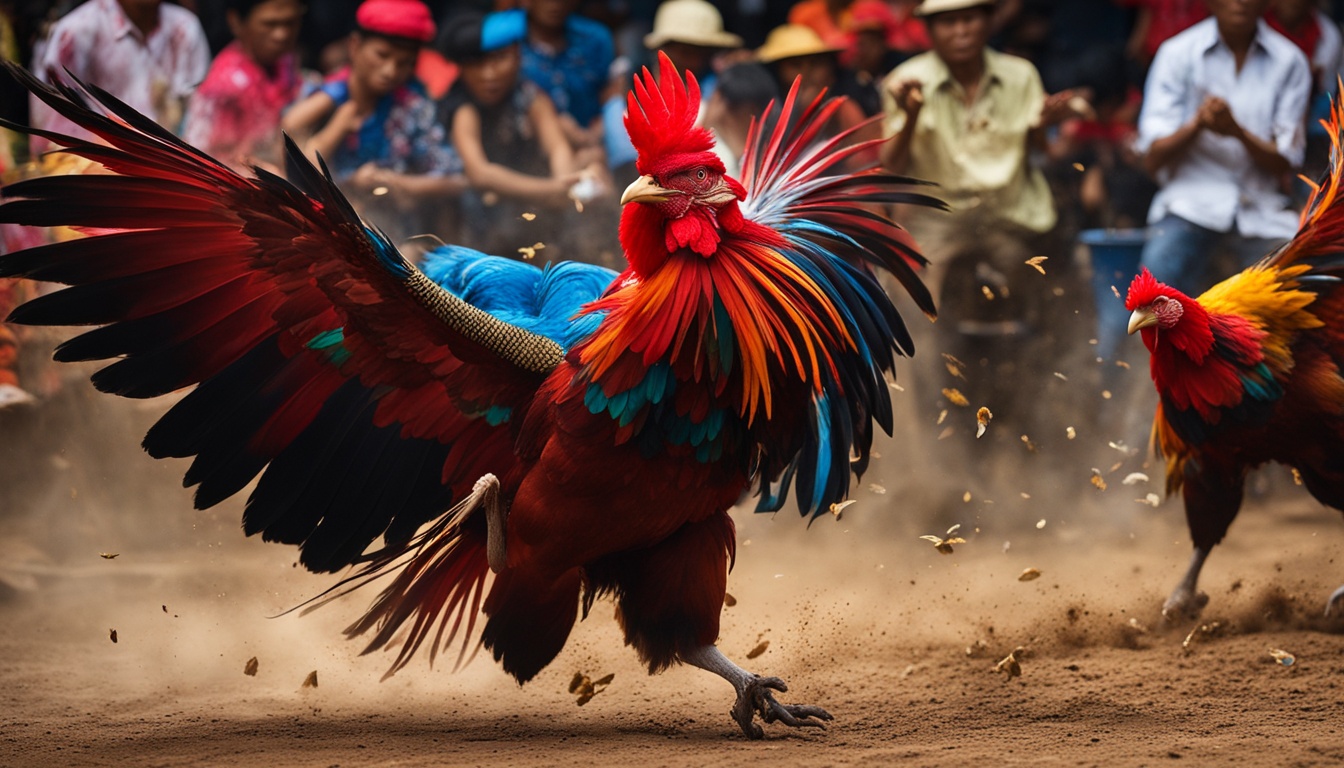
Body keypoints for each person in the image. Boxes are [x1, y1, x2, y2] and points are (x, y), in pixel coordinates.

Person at [1135, 0, 1311, 297]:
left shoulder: (1290, 61)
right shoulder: (1177, 53)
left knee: (1297, 290)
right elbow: (1152, 158)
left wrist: (1237, 132)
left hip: (1261, 211)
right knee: (1156, 285)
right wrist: (1197, 125)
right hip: (1189, 206)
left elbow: (1286, 161)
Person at [281, 0, 465, 242]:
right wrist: (338, 117)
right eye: (382, 55)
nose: (390, 71)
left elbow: (456, 180)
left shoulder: (412, 108)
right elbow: (293, 153)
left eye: (404, 63)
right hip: (326, 232)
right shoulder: (318, 96)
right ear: (355, 46)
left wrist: (396, 183)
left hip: (395, 236)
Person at [440, 11, 610, 262]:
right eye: (478, 63)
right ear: (462, 68)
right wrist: (551, 190)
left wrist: (567, 182)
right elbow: (480, 173)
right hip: (478, 221)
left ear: (518, 56)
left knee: (591, 160)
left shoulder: (529, 95)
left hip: (526, 207)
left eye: (499, 59)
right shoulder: (463, 108)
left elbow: (557, 148)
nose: (489, 74)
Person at [29, 0, 211, 153]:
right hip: (96, 177)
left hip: (177, 176)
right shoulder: (77, 32)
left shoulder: (185, 28)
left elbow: (202, 117)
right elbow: (51, 135)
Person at [601, 0, 742, 180]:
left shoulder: (714, 86)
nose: (695, 62)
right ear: (662, 48)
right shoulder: (623, 99)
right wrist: (704, 128)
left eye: (702, 53)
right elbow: (632, 170)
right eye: (685, 52)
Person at [183, 0, 304, 172]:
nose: (282, 34)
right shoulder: (224, 87)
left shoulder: (285, 61)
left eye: (290, 23)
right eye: (270, 24)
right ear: (236, 21)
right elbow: (202, 160)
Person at [499, 0, 615, 158]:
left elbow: (612, 92)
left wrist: (599, 130)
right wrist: (554, 125)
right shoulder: (502, 39)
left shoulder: (596, 38)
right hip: (527, 149)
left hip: (593, 143)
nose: (555, 4)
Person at [702, 61, 779, 177]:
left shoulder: (768, 146)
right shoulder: (695, 116)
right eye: (736, 110)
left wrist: (740, 151)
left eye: (754, 113)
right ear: (718, 99)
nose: (750, 120)